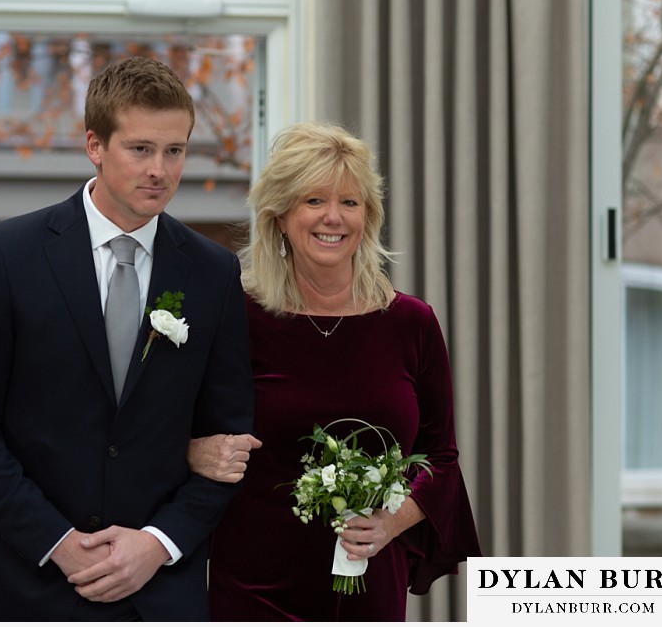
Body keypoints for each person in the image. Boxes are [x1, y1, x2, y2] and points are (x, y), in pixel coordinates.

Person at [0, 56, 255, 621]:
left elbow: (227, 445)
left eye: (175, 150)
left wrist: (158, 543)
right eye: (140, 149)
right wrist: (57, 543)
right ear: (94, 145)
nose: (160, 169)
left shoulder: (214, 273)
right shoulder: (5, 256)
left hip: (155, 592)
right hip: (15, 582)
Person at [188, 122, 481, 621]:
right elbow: (177, 430)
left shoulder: (412, 323)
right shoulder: (235, 318)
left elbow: (441, 457)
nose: (333, 217)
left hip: (370, 584)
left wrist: (391, 522)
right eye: (313, 200)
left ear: (368, 217)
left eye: (350, 202)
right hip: (255, 588)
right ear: (280, 215)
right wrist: (194, 452)